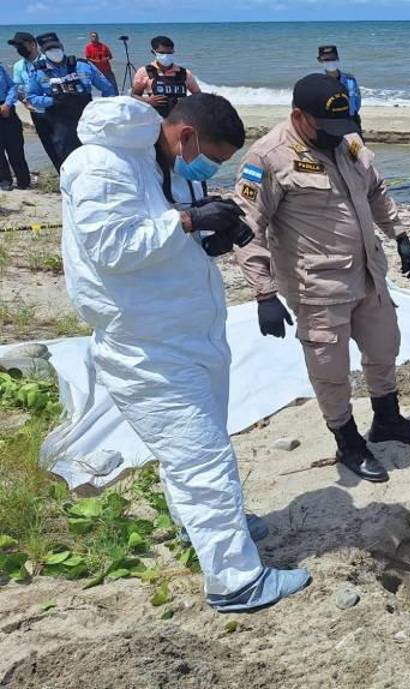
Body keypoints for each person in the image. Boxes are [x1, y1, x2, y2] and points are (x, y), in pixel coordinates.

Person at [58, 93, 310, 612]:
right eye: (212, 158)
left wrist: (203, 235)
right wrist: (189, 221)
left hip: (183, 331)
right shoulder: (98, 166)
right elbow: (112, 248)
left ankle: (205, 528)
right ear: (186, 134)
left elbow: (157, 233)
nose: (208, 169)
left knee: (195, 449)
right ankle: (235, 581)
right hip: (145, 345)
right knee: (202, 458)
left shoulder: (156, 164)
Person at [232, 74, 410, 484]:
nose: (336, 137)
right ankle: (347, 441)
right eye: (326, 128)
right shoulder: (268, 157)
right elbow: (247, 227)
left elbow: (376, 189)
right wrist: (264, 292)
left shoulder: (348, 141)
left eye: (343, 128)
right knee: (330, 368)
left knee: (383, 348)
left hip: (369, 273)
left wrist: (400, 235)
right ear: (299, 116)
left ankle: (388, 419)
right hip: (318, 287)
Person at [25, 32, 116, 170]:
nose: (54, 51)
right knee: (70, 163)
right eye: (49, 49)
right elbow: (32, 98)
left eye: (55, 47)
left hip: (87, 121)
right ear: (43, 51)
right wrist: (52, 100)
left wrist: (106, 111)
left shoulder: (83, 65)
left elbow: (107, 88)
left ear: (62, 46)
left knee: (97, 159)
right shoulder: (38, 71)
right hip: (60, 125)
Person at [7, 31, 57, 168]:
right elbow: (19, 87)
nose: (18, 49)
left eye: (21, 45)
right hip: (36, 112)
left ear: (33, 44)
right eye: (16, 47)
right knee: (49, 147)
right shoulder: (18, 66)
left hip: (55, 109)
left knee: (63, 145)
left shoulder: (48, 60)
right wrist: (24, 101)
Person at [131, 35, 200, 118]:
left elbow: (198, 95)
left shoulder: (184, 73)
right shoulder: (145, 72)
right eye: (162, 53)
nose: (166, 56)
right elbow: (134, 95)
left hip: (180, 118)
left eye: (169, 53)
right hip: (156, 119)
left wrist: (187, 103)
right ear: (153, 52)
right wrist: (147, 100)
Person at [0, 62, 31, 190]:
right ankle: (5, 180)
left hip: (7, 109)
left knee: (16, 146)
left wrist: (7, 104)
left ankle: (23, 180)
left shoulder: (0, 67)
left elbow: (12, 87)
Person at [317, 45, 361, 131]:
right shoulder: (317, 81)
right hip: (328, 123)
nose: (330, 62)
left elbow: (357, 103)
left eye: (333, 58)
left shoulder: (350, 80)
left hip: (350, 121)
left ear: (338, 59)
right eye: (326, 60)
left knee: (357, 144)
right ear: (320, 61)